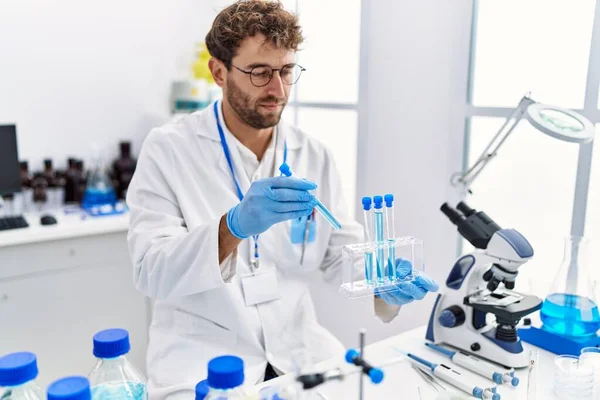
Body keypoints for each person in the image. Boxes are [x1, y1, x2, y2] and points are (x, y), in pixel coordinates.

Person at [126, 1, 439, 399]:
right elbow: (150, 270)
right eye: (259, 72)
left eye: (287, 71)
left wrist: (382, 278)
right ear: (219, 72)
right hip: (203, 358)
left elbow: (336, 252)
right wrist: (231, 227)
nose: (278, 90)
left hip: (300, 350)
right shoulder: (169, 149)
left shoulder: (313, 153)